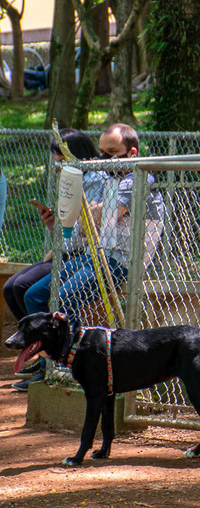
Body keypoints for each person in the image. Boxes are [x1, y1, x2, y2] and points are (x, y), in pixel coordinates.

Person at [22, 123, 165, 332]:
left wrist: (95, 210)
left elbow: (100, 217)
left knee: (64, 298)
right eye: (103, 153)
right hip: (94, 255)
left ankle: (69, 358)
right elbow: (84, 227)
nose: (106, 159)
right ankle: (47, 360)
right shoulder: (110, 178)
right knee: (33, 295)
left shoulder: (139, 178)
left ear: (132, 153)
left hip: (121, 260)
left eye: (113, 153)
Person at [7, 130, 106, 391]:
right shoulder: (71, 178)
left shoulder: (96, 180)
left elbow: (85, 232)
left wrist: (64, 229)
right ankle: (37, 351)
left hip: (83, 254)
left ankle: (47, 360)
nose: (59, 166)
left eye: (62, 159)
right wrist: (53, 225)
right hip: (66, 251)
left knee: (30, 294)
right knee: (12, 288)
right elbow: (69, 231)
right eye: (56, 160)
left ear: (77, 156)